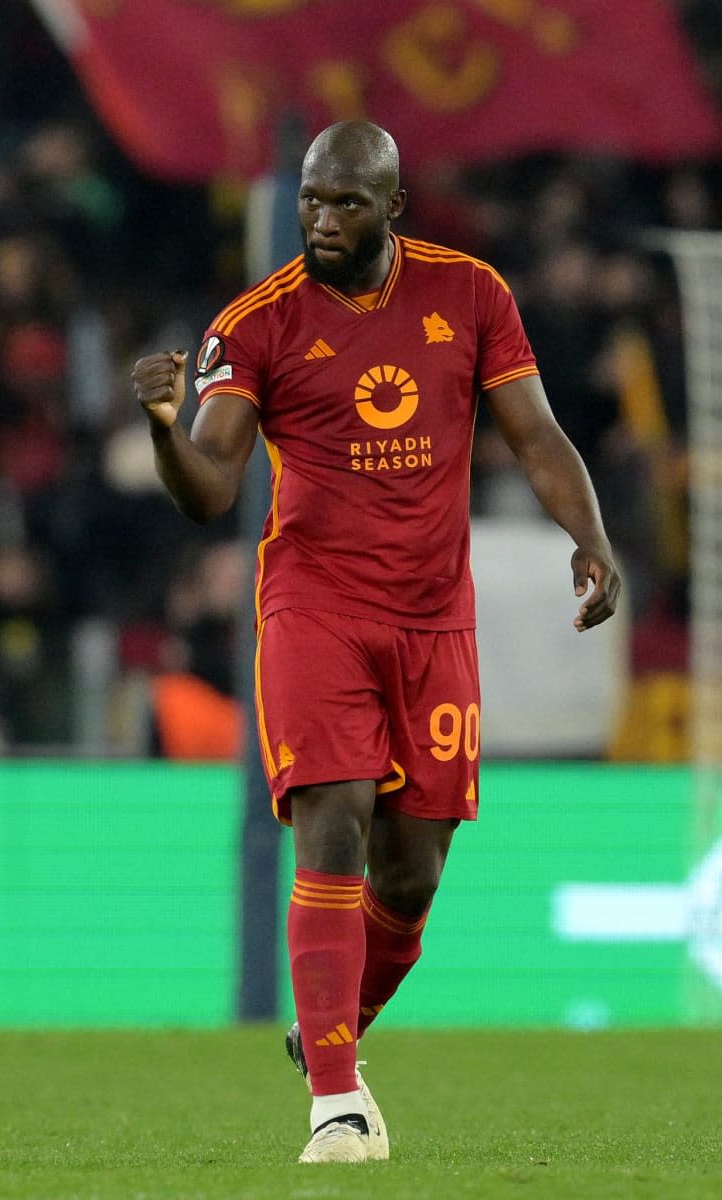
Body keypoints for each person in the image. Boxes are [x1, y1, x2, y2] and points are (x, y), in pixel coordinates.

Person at [132, 120, 621, 1165]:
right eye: (310, 200)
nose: (320, 220)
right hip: (313, 608)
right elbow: (210, 489)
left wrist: (588, 538)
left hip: (434, 616)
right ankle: (336, 1102)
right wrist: (166, 433)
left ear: (392, 206)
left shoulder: (471, 295)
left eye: (345, 203)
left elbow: (533, 434)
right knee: (335, 825)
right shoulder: (254, 325)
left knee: (412, 872)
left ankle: (323, 1032)